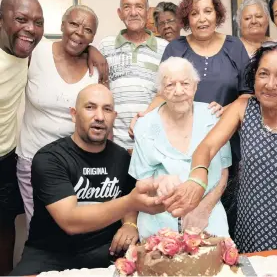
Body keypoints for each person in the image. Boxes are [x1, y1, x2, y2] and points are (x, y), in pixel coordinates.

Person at [160, 42, 277, 254]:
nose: (270, 84)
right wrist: (197, 179)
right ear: (254, 76)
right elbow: (206, 147)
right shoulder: (243, 108)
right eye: (263, 74)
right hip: (252, 232)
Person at [129, 0, 251, 236]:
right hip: (177, 133)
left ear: (217, 14)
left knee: (218, 207)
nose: (202, 18)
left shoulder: (234, 46)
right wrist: (144, 117)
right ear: (187, 18)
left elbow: (249, 94)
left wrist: (225, 112)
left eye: (208, 11)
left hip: (224, 137)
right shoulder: (176, 47)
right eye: (195, 13)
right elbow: (165, 89)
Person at [10, 84, 164, 276]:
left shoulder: (123, 158)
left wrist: (130, 224)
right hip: (50, 256)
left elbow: (129, 195)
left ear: (113, 117)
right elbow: (70, 221)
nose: (99, 116)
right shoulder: (50, 158)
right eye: (90, 107)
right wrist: (129, 202)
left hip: (105, 254)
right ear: (74, 114)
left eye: (107, 109)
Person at [15, 5, 101, 231]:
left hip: (76, 164)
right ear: (62, 25)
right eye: (74, 24)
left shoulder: (96, 68)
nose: (79, 32)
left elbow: (100, 115)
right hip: (32, 160)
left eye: (88, 29)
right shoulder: (37, 53)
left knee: (75, 230)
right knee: (41, 230)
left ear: (93, 36)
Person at [129, 57, 231, 239]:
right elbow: (140, 184)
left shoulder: (214, 118)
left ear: (195, 86)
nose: (178, 91)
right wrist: (158, 184)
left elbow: (223, 174)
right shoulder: (144, 125)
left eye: (185, 83)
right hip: (159, 220)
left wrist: (203, 210)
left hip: (209, 214)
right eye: (169, 85)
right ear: (160, 90)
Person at [0, 0, 44, 275]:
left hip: (5, 157)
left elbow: (70, 47)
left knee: (4, 226)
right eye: (21, 19)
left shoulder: (27, 54)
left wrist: (93, 50)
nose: (30, 28)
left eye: (38, 22)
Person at [99, 0, 168, 153]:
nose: (133, 12)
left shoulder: (165, 48)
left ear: (148, 11)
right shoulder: (105, 46)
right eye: (127, 7)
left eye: (139, 6)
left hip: (153, 144)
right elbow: (100, 91)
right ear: (120, 13)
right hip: (112, 145)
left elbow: (168, 94)